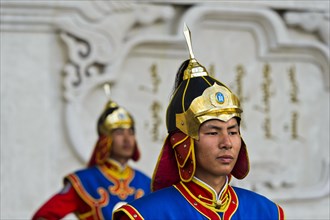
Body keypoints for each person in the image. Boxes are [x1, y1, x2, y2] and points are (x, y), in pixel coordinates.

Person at [113, 24, 285, 220]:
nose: (226, 142)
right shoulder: (145, 215)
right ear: (182, 143)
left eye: (232, 131)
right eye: (213, 132)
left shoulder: (266, 212)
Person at [32, 85, 151, 220]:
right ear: (105, 140)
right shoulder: (84, 181)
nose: (127, 139)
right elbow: (43, 216)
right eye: (119, 132)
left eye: (131, 132)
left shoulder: (146, 183)